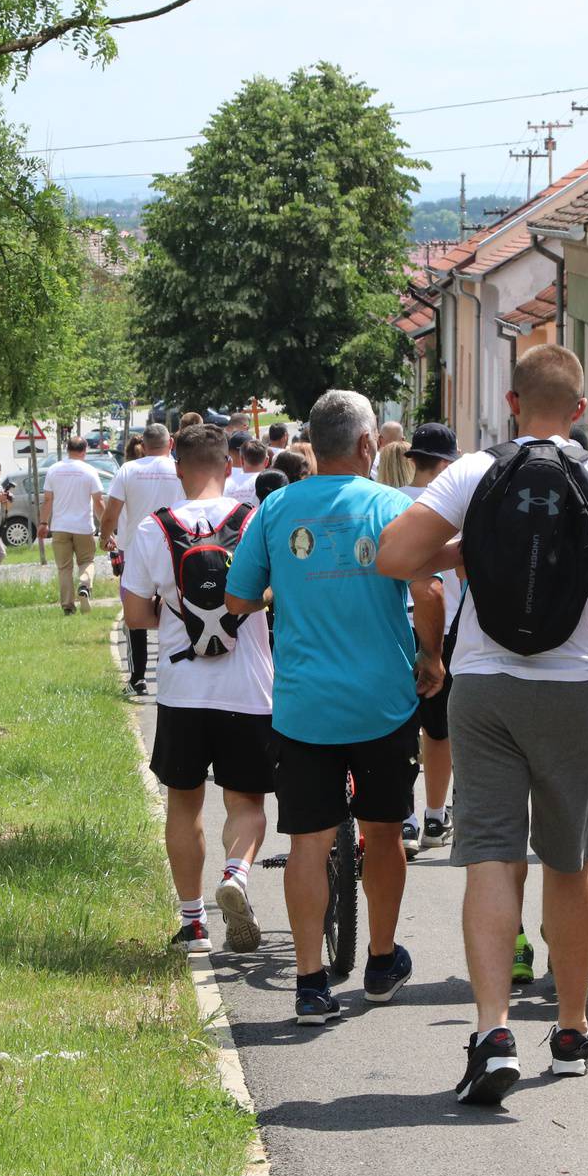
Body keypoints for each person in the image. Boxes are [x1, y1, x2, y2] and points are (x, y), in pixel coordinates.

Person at [377, 344, 588, 1103]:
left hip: (483, 686)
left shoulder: (475, 472)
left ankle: (492, 1032)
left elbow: (393, 556)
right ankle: (572, 1030)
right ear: (580, 411)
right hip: (575, 687)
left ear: (511, 405)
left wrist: (470, 548)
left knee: (488, 854)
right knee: (569, 859)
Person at [225, 390, 446, 1026]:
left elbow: (239, 602)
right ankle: (380, 962)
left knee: (307, 842)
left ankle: (310, 984)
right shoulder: (392, 507)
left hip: (304, 708)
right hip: (382, 702)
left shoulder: (274, 508)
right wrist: (430, 659)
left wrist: (285, 590)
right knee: (383, 832)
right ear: (368, 446)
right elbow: (428, 591)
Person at [119, 424, 274, 956]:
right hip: (249, 689)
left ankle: (193, 924)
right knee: (246, 799)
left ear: (178, 470)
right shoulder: (254, 522)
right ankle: (236, 872)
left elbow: (136, 617)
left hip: (182, 691)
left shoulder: (151, 529)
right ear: (229, 467)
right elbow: (276, 597)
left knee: (183, 803)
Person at [395, 423, 459, 859]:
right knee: (439, 731)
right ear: (446, 462)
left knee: (402, 729)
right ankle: (435, 815)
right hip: (448, 628)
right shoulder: (456, 507)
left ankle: (405, 819)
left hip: (398, 627)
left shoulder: (391, 504)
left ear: (412, 458)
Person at [102, 422, 187, 695]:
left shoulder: (128, 470)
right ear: (170, 443)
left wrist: (105, 536)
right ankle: (170, 669)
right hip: (173, 548)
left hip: (135, 551)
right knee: (173, 608)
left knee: (135, 614)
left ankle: (138, 677)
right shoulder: (178, 469)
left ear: (144, 445)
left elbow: (112, 510)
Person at [40, 436, 106, 615]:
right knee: (86, 561)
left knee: (64, 568)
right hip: (83, 527)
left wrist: (43, 523)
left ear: (67, 449)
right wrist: (107, 527)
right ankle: (84, 585)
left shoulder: (54, 470)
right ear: (84, 450)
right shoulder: (89, 471)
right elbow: (98, 502)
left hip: (60, 526)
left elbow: (47, 500)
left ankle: (68, 606)